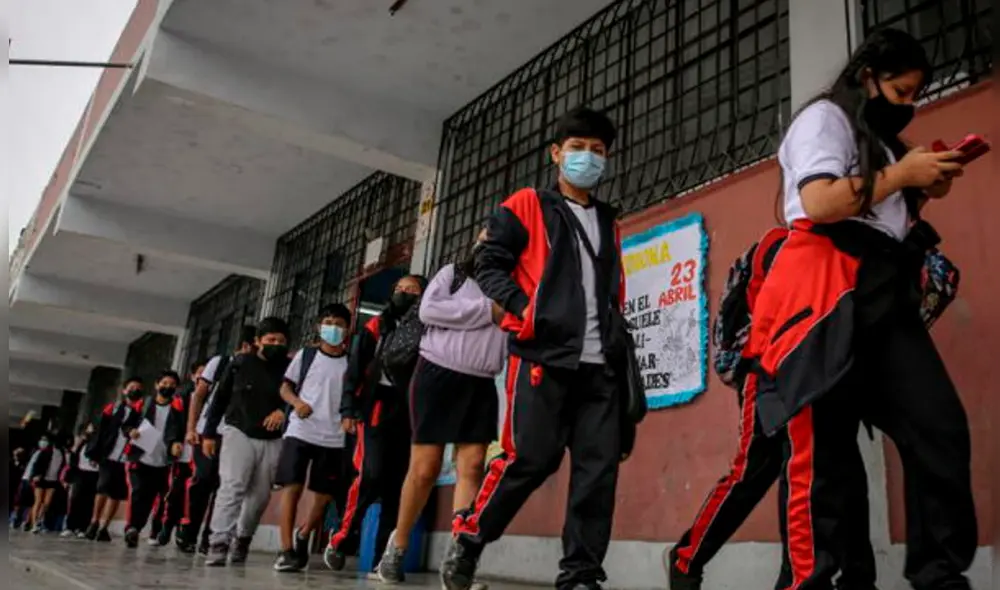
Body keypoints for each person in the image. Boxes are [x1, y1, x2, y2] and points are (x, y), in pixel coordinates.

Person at [698, 29, 973, 590]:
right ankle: (818, 579)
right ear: (869, 77)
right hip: (827, 293)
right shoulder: (824, 119)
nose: (908, 104)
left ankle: (939, 574)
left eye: (915, 93)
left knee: (937, 427)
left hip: (883, 293)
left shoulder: (879, 141)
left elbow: (883, 208)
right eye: (900, 90)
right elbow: (822, 200)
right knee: (826, 463)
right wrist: (900, 175)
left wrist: (922, 181)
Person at [442, 106, 626, 590]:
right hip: (544, 356)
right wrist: (524, 309)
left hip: (600, 366)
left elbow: (610, 291)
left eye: (598, 151)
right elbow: (488, 263)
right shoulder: (526, 204)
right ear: (556, 154)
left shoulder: (608, 220)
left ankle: (581, 575)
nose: (588, 157)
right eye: (578, 148)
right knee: (530, 458)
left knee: (597, 472)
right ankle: (470, 539)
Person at [376, 232, 507, 583]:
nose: (486, 245)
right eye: (482, 239)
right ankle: (397, 546)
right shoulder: (453, 274)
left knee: (473, 466)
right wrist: (486, 311)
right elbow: (431, 310)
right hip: (436, 375)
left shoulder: (514, 285)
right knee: (425, 468)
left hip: (481, 382)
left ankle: (457, 560)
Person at [324, 275, 428, 571]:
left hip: (410, 410)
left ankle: (382, 558)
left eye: (412, 290)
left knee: (399, 485)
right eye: (400, 289)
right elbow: (354, 369)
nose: (404, 294)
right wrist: (348, 409)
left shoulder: (429, 328)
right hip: (376, 407)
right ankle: (342, 538)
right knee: (371, 473)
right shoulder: (376, 326)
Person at [201, 317, 292, 567]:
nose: (276, 344)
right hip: (238, 431)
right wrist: (209, 434)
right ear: (257, 342)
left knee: (260, 496)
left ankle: (242, 539)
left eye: (281, 341)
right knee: (232, 486)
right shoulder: (239, 364)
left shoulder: (291, 369)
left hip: (272, 438)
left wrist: (284, 411)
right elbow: (219, 399)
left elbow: (300, 396)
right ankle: (218, 542)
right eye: (270, 340)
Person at [273, 303, 354, 572]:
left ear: (347, 329)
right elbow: (285, 387)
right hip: (300, 429)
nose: (333, 328)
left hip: (334, 436)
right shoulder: (306, 355)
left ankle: (304, 533)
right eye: (328, 322)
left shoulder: (351, 362)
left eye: (339, 323)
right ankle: (285, 550)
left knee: (323, 496)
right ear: (319, 327)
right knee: (292, 487)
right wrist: (296, 404)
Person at [177, 330, 256, 554]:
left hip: (237, 435)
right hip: (208, 432)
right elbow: (199, 396)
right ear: (245, 345)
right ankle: (189, 530)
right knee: (202, 481)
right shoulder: (219, 363)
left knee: (226, 487)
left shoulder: (256, 370)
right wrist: (191, 428)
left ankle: (211, 537)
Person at [121, 370, 186, 548]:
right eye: (164, 383)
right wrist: (130, 432)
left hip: (163, 461)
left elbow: (180, 432)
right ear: (157, 385)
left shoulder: (178, 408)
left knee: (158, 498)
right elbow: (126, 425)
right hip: (140, 457)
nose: (168, 387)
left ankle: (153, 531)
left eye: (172, 385)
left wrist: (177, 444)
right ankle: (132, 528)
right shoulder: (143, 405)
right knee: (139, 493)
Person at [83, 377, 144, 542]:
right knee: (103, 487)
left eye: (138, 388)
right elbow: (101, 431)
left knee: (117, 493)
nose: (135, 390)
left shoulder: (142, 412)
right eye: (132, 387)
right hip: (108, 455)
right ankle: (94, 522)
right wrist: (95, 453)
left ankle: (105, 527)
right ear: (124, 390)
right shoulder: (114, 408)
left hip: (127, 458)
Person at [151, 362, 205, 547]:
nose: (203, 377)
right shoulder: (181, 398)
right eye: (200, 373)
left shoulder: (216, 397)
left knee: (196, 497)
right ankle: (165, 529)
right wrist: (174, 441)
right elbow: (172, 423)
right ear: (192, 376)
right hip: (183, 455)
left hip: (203, 454)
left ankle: (187, 535)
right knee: (174, 494)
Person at [60, 424, 101, 538]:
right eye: (88, 429)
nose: (89, 431)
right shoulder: (80, 444)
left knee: (89, 501)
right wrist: (68, 478)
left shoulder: (99, 443)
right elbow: (73, 460)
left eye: (92, 429)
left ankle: (82, 528)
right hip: (80, 473)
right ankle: (70, 526)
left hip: (94, 474)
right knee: (76, 499)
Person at [25, 433, 67, 533]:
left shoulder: (61, 453)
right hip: (41, 479)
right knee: (38, 500)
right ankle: (34, 524)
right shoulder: (46, 451)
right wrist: (35, 475)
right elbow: (37, 464)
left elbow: (62, 466)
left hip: (52, 480)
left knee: (47, 503)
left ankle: (39, 520)